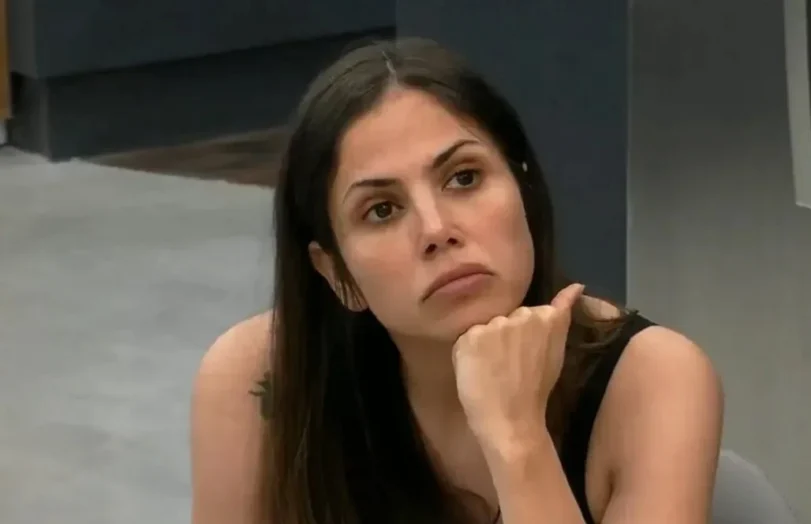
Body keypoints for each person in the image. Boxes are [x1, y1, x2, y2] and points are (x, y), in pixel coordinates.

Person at [190, 38, 724, 524]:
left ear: (523, 189)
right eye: (382, 210)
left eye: (464, 178)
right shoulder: (258, 379)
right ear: (337, 273)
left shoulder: (651, 381)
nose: (437, 230)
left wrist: (517, 438)